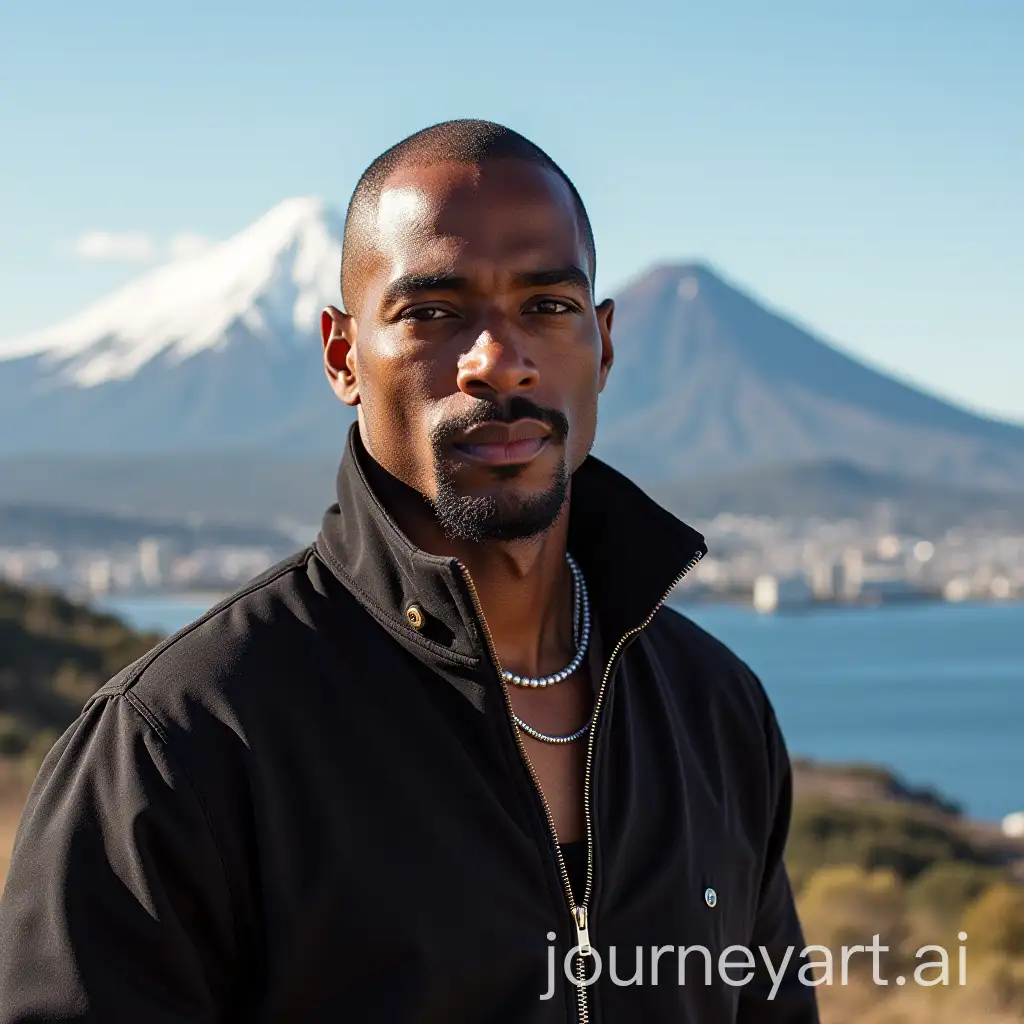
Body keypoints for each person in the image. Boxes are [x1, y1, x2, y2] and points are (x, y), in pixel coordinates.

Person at [0, 119, 818, 1022]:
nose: (498, 363)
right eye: (432, 313)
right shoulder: (180, 742)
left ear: (604, 344)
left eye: (547, 307)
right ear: (343, 356)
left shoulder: (715, 711)